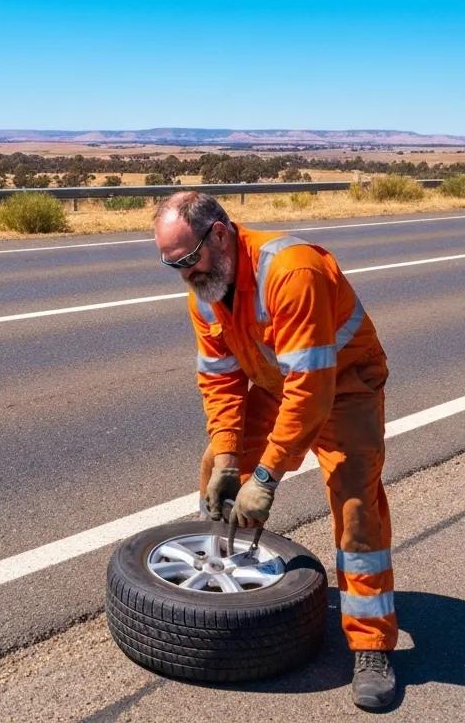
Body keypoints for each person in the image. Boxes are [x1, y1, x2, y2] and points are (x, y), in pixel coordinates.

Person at [154, 191, 397, 711]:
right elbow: (219, 380)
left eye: (188, 258)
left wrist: (265, 478)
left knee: (356, 505)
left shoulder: (291, 270)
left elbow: (310, 390)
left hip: (344, 384)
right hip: (272, 381)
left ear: (218, 234)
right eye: (171, 265)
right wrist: (226, 458)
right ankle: (218, 592)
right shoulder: (204, 287)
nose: (184, 273)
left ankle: (371, 644)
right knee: (216, 471)